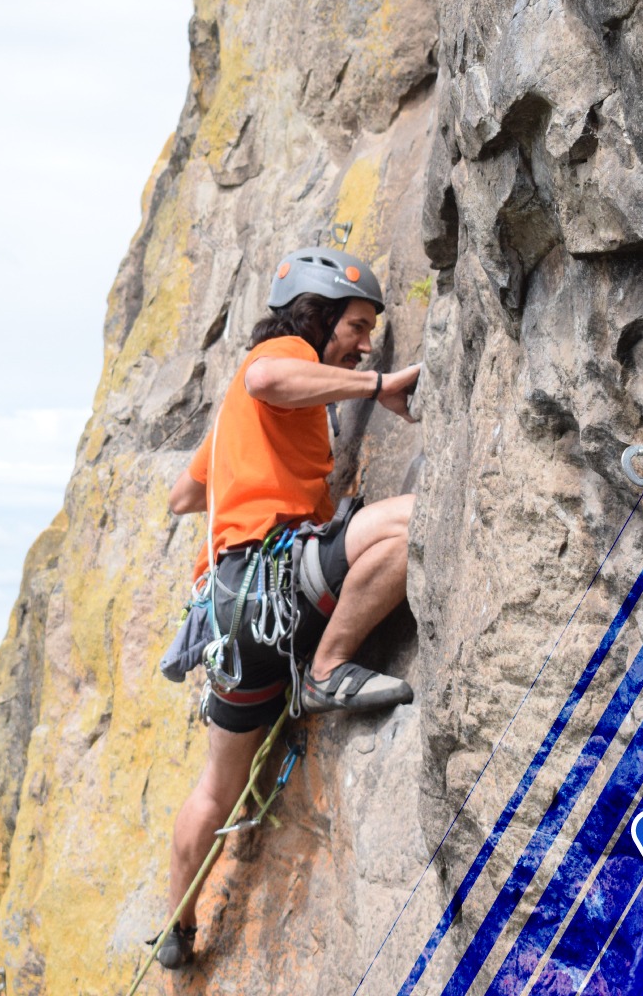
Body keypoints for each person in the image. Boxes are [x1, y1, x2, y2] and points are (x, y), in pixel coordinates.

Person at [157, 246, 421, 968]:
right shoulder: (273, 360)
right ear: (318, 313)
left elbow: (183, 496)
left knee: (218, 788)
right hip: (273, 581)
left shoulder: (245, 414)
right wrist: (375, 384)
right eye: (356, 324)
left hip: (233, 622)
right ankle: (329, 667)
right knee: (411, 524)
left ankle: (174, 930)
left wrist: (237, 462)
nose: (365, 340)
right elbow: (272, 374)